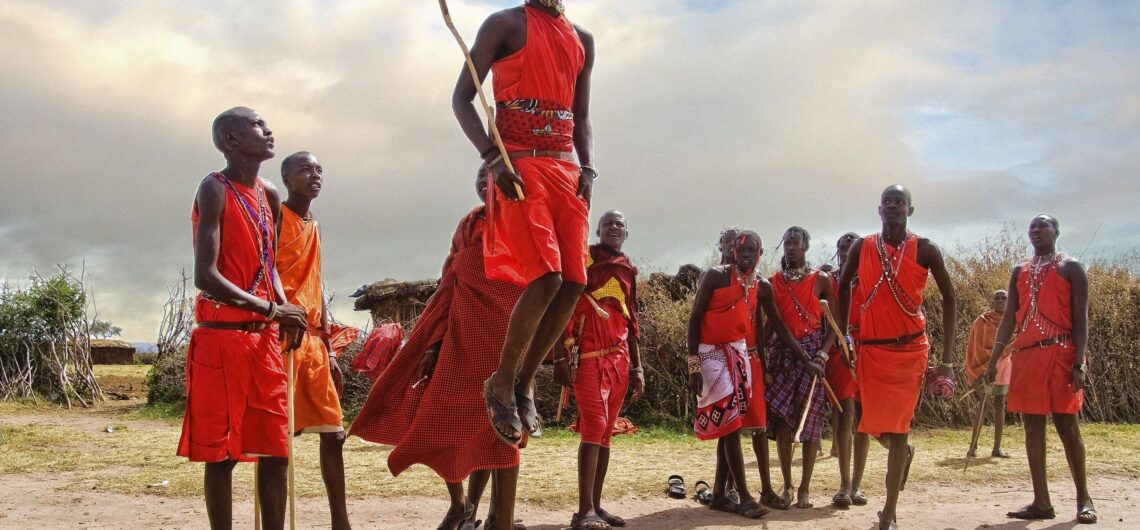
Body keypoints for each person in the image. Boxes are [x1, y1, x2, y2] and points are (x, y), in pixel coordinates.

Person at [451, 0, 597, 448]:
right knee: (547, 276)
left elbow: (581, 117)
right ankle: (502, 380)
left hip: (565, 169)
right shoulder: (503, 24)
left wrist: (588, 169)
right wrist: (493, 159)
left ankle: (525, 381)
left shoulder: (582, 39)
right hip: (518, 166)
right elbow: (461, 98)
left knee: (574, 280)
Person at [349, 171, 524, 530]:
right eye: (479, 176)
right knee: (438, 419)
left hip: (505, 338)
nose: (484, 181)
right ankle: (462, 504)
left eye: (492, 175)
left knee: (500, 428)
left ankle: (497, 518)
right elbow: (449, 285)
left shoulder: (522, 219)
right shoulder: (468, 224)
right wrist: (433, 344)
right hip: (461, 337)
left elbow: (531, 287)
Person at [177, 107, 309, 530]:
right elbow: (206, 275)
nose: (269, 130)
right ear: (231, 140)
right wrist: (272, 309)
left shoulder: (269, 193)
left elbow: (269, 265)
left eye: (268, 123)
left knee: (276, 449)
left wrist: (285, 308)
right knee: (223, 453)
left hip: (263, 341)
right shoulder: (213, 189)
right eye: (257, 125)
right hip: (221, 337)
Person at [836, 185, 957, 530]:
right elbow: (844, 285)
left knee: (899, 428)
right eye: (887, 202)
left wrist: (947, 360)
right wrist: (845, 335)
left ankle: (888, 513)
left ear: (910, 211)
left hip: (909, 351)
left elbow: (950, 297)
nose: (893, 207)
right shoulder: (863, 246)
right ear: (879, 210)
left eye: (899, 202)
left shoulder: (926, 249)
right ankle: (901, 454)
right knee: (872, 425)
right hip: (871, 352)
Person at [984, 215, 1096, 524]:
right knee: (1032, 427)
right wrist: (993, 360)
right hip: (1028, 356)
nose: (1036, 230)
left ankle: (1083, 498)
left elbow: (1081, 319)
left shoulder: (1071, 268)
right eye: (1032, 226)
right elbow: (1009, 319)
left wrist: (1080, 362)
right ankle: (1041, 501)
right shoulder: (1019, 272)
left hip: (1062, 354)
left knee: (1067, 426)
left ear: (1056, 232)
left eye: (1043, 225)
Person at [274, 151, 351, 529]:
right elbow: (264, 271)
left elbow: (316, 284)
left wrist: (327, 342)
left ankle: (341, 522)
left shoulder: (314, 226)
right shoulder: (275, 218)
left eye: (319, 169)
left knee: (334, 433)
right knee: (276, 439)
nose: (315, 175)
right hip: (282, 335)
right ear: (287, 178)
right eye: (306, 169)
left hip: (314, 342)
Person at [553, 210, 643, 530]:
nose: (614, 227)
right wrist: (559, 357)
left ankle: (594, 507)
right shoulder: (584, 260)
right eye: (608, 224)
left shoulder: (628, 269)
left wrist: (638, 368)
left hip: (619, 360)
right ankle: (584, 510)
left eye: (620, 223)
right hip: (587, 356)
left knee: (605, 433)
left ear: (626, 232)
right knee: (595, 425)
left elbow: (631, 321)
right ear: (599, 231)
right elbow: (560, 305)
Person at [762, 227, 832, 510]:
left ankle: (805, 488)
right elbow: (769, 326)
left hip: (813, 356)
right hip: (782, 356)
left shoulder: (821, 280)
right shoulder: (773, 282)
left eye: (795, 242)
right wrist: (759, 357)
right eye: (787, 243)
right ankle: (788, 485)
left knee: (811, 422)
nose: (790, 247)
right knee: (782, 421)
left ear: (805, 247)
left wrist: (823, 357)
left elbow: (835, 328)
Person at [964, 289, 1012, 459]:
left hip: (1005, 366)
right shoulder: (982, 321)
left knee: (1000, 405)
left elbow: (1015, 342)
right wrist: (982, 367)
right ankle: (973, 447)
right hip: (985, 368)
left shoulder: (1013, 321)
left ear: (1009, 300)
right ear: (992, 301)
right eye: (997, 298)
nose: (1000, 301)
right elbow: (975, 347)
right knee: (983, 404)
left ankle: (997, 448)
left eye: (1004, 298)